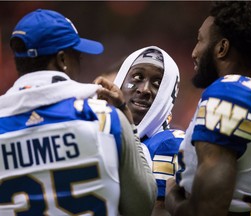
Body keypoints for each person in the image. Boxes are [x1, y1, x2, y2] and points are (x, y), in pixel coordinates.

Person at [0, 9, 157, 216]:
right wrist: (129, 126)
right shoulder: (106, 118)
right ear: (62, 60)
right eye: (78, 56)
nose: (80, 63)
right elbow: (142, 207)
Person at [165, 1, 251, 216]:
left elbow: (208, 210)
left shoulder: (229, 92)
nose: (194, 52)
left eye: (200, 40)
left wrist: (172, 199)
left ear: (221, 48)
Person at [95, 46, 185, 216]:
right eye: (137, 77)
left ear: (168, 95)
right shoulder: (111, 133)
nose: (144, 89)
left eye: (157, 83)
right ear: (120, 82)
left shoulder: (169, 143)